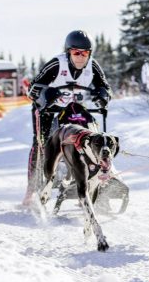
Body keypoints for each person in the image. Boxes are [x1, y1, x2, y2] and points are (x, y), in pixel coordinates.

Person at [22, 30, 113, 205]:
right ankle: (32, 188)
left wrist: (102, 95)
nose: (80, 57)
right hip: (48, 111)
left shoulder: (93, 66)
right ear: (68, 52)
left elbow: (106, 89)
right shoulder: (56, 64)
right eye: (76, 52)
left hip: (75, 109)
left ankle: (95, 179)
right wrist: (47, 93)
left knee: (92, 140)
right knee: (41, 144)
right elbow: (32, 90)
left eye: (84, 53)